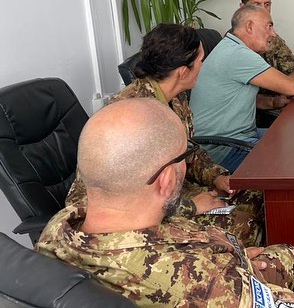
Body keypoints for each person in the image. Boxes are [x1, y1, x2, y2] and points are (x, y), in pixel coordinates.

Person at [38, 99, 294, 308]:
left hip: (206, 274)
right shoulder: (205, 282)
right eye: (184, 157)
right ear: (167, 180)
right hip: (211, 289)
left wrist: (234, 254)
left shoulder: (62, 227)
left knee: (289, 257)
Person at [65, 23, 264, 247]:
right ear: (183, 71)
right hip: (129, 219)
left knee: (257, 196)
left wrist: (217, 176)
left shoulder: (175, 96)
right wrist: (191, 206)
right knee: (242, 225)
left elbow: (187, 149)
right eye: (201, 61)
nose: (204, 66)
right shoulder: (131, 116)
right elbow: (114, 199)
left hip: (171, 191)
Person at [191, 5, 294, 171]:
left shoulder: (230, 47)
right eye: (269, 26)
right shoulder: (238, 54)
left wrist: (275, 102)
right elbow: (291, 87)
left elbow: (236, 98)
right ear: (249, 27)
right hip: (224, 149)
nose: (273, 34)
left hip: (239, 137)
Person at [240, 0, 294, 126]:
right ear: (242, 8)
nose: (264, 10)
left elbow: (292, 68)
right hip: (256, 115)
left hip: (280, 105)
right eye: (257, 5)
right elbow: (243, 98)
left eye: (267, 5)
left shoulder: (270, 36)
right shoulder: (237, 43)